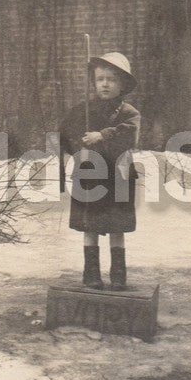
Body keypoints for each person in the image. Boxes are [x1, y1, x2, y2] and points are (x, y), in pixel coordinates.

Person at [59, 52, 140, 291]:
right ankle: (91, 274)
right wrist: (69, 153)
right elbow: (63, 135)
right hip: (90, 175)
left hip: (118, 177)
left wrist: (102, 135)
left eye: (111, 79)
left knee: (117, 227)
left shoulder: (129, 113)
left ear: (123, 85)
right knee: (90, 226)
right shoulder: (82, 110)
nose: (105, 84)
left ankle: (118, 275)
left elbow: (128, 134)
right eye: (100, 79)